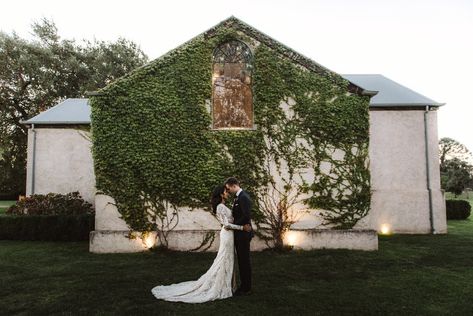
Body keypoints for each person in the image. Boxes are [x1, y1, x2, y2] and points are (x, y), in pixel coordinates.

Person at [150, 185, 251, 303]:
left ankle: (227, 284)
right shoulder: (219, 207)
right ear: (221, 194)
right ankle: (220, 285)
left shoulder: (223, 205)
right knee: (224, 258)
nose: (227, 192)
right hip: (227, 234)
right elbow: (226, 225)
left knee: (228, 259)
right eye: (225, 191)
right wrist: (242, 227)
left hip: (230, 235)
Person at [224, 177, 253, 296]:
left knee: (244, 261)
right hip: (240, 233)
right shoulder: (238, 197)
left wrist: (232, 225)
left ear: (234, 185)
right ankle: (244, 285)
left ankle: (246, 287)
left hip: (243, 234)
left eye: (228, 188)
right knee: (241, 260)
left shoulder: (243, 197)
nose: (228, 191)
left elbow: (246, 216)